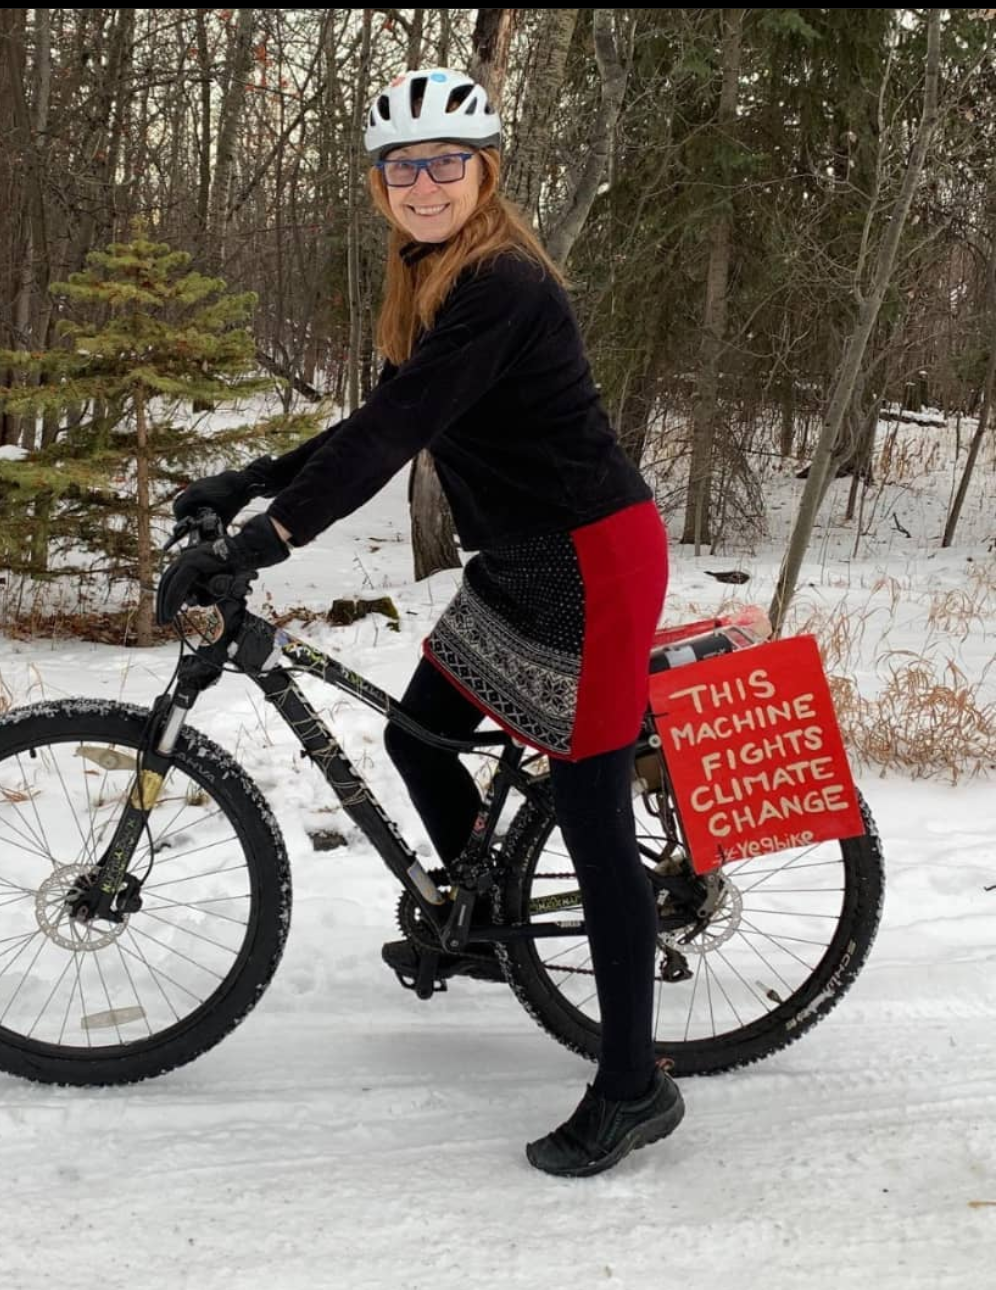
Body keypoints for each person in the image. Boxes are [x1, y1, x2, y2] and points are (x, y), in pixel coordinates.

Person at [159, 68, 682, 1178]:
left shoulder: (501, 282)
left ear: (483, 171)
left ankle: (632, 1086)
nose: (424, 182)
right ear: (378, 184)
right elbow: (387, 413)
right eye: (403, 166)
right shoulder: (430, 276)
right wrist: (248, 480)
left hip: (593, 562)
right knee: (416, 734)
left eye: (446, 162)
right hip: (521, 561)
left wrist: (263, 542)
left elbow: (396, 431)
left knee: (592, 823)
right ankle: (490, 919)